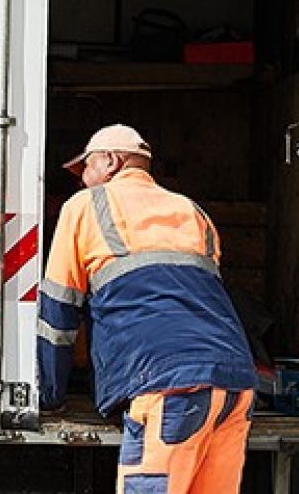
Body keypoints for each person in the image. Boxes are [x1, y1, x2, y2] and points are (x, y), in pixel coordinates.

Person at [39, 124, 256, 494]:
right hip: (236, 382)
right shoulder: (193, 211)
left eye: (85, 169)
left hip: (168, 385)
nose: (83, 182)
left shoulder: (86, 206)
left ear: (110, 160)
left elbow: (59, 310)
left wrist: (51, 395)